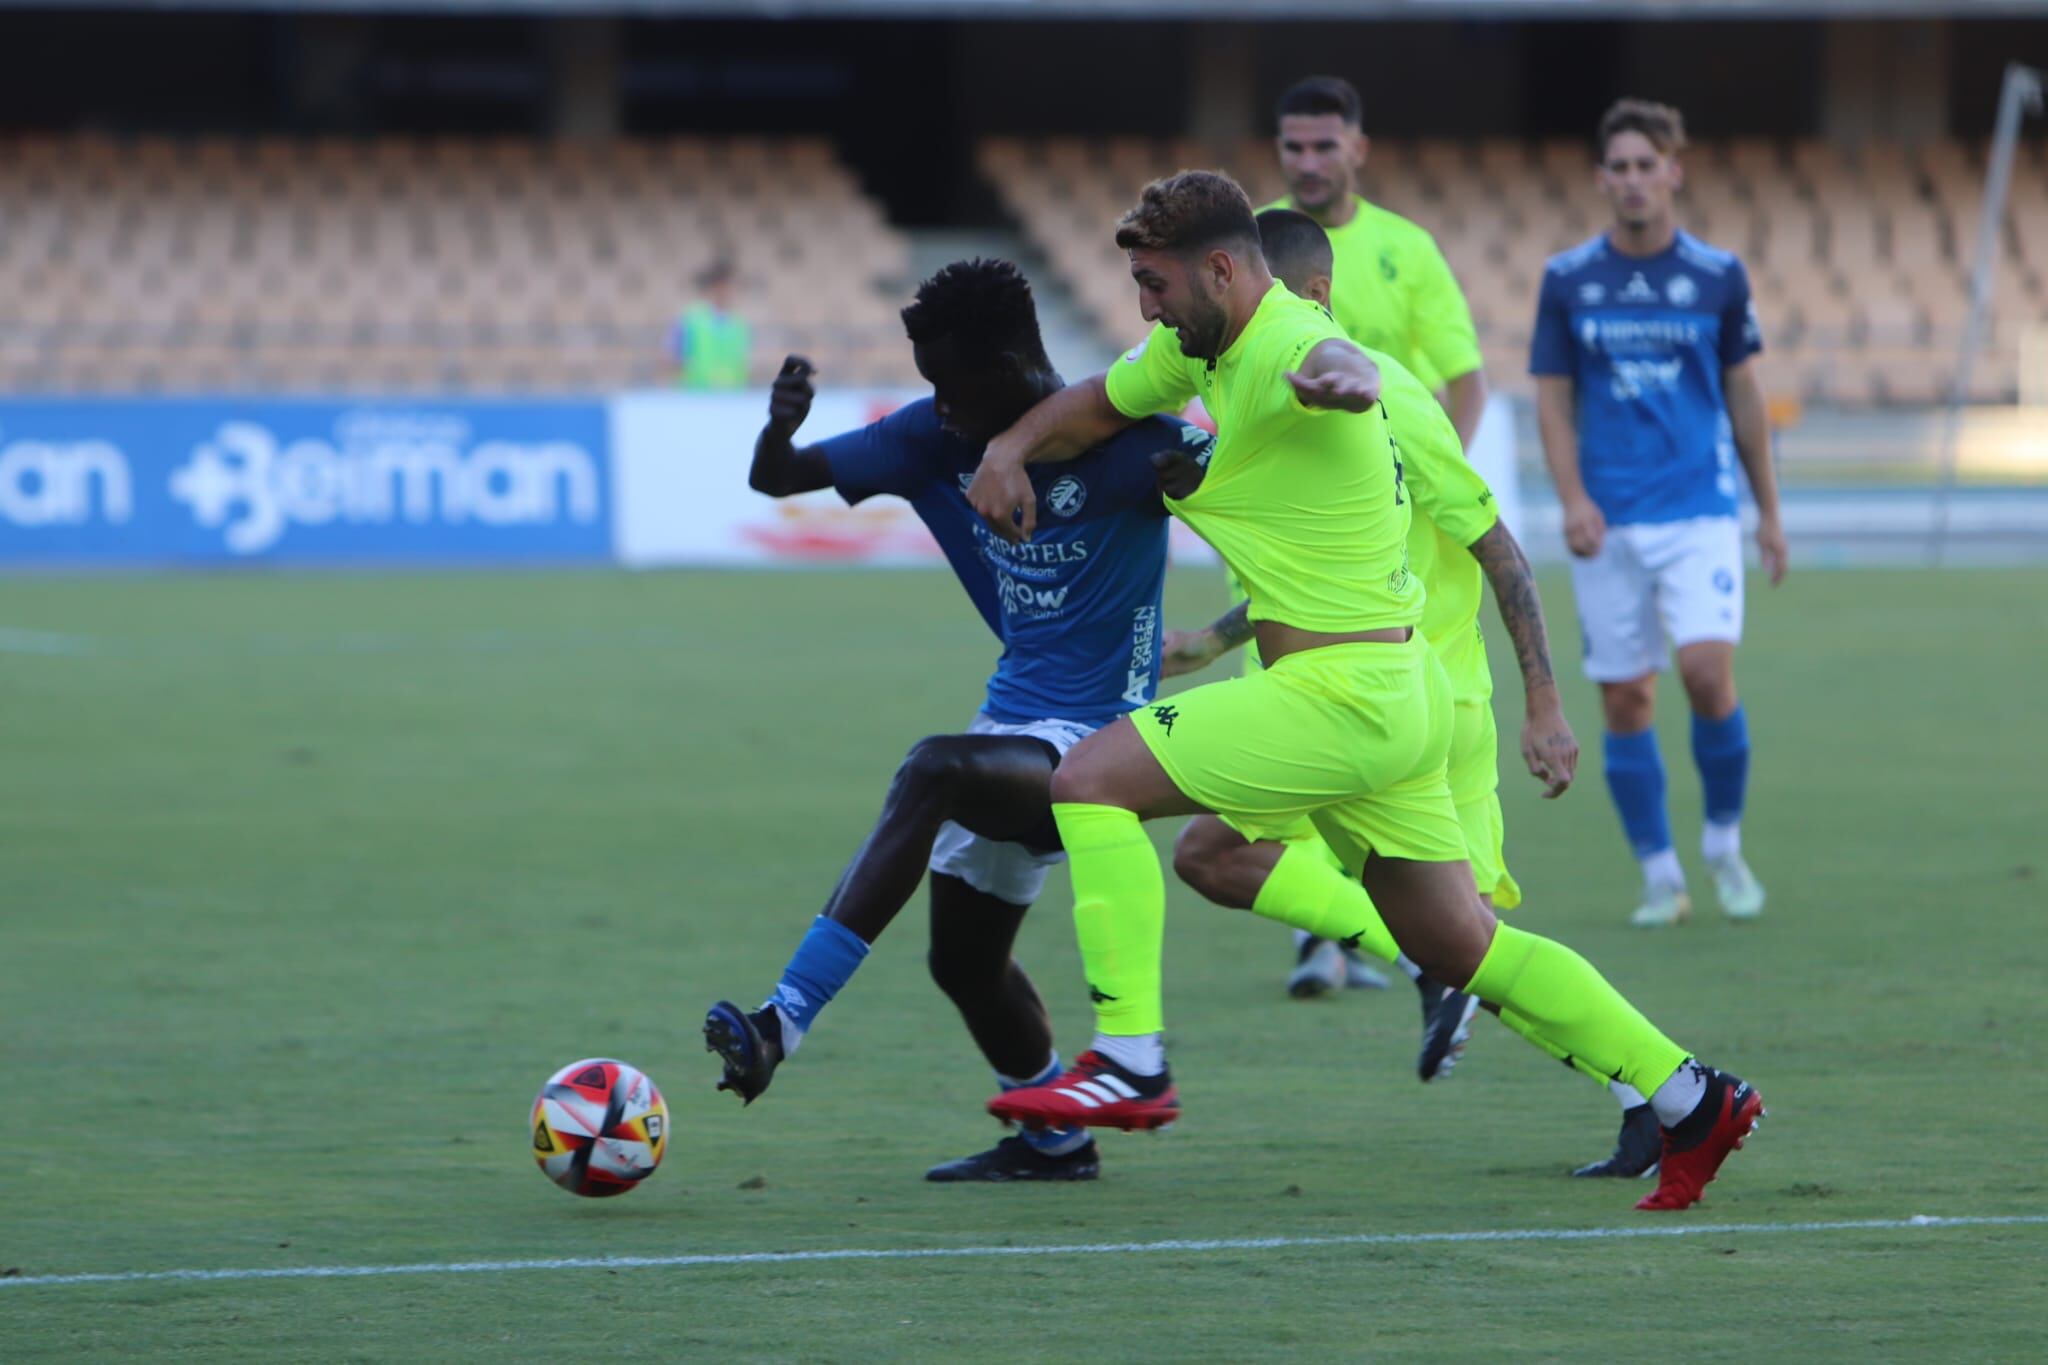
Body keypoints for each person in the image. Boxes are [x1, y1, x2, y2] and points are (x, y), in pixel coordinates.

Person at [966, 170, 1762, 1212]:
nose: (1143, 307)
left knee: (1086, 779)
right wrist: (1008, 444)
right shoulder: (1193, 346)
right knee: (1461, 945)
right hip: (1383, 697)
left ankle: (1129, 1056)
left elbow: (1337, 360)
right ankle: (1687, 1095)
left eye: (1154, 284)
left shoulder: (1297, 342)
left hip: (1340, 696)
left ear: (1221, 268)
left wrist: (1350, 378)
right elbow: (1096, 402)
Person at [1161, 208, 1656, 1177]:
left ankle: (1646, 1088)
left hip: (1421, 706)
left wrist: (1544, 706)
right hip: (1312, 698)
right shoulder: (1254, 390)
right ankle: (1427, 968)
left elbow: (1496, 548)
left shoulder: (1388, 399)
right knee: (1214, 855)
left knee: (1467, 940)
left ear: (1293, 293)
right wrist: (1215, 639)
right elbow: (1311, 573)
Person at [701, 258, 1204, 1183]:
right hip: (1012, 726)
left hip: (1105, 745)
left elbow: (1277, 503)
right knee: (966, 964)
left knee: (931, 769)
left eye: (949, 383)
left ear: (1012, 366)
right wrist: (781, 427)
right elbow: (777, 482)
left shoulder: (1140, 447)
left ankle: (783, 1020)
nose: (935, 404)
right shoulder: (933, 441)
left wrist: (1225, 615)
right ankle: (1056, 1139)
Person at [1258, 75, 1491, 995]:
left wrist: (1427, 479)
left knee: (1382, 737)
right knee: (1283, 734)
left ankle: (1424, 936)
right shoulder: (1250, 243)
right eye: (1294, 147)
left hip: (1392, 546)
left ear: (1358, 146)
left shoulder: (1406, 249)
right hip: (1292, 541)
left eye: (1325, 145)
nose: (1308, 162)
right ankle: (1325, 938)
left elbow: (1464, 377)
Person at [1531, 99, 1786, 928]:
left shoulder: (1717, 275)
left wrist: (1768, 513)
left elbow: (1745, 394)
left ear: (1674, 172)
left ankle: (1722, 843)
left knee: (1709, 675)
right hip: (1608, 518)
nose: (1634, 180)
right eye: (1621, 167)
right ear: (1602, 178)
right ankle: (1659, 873)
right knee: (1626, 700)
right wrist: (1572, 498)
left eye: (1649, 165)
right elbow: (1553, 398)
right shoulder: (1568, 279)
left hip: (1698, 508)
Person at [673, 259, 752, 390]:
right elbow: (674, 358)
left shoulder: (740, 323)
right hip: (697, 396)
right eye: (722, 287)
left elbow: (743, 362)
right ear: (713, 288)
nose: (726, 292)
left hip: (732, 398)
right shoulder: (691, 319)